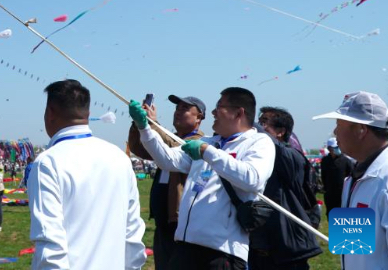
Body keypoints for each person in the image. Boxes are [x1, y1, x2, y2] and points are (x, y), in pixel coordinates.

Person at [130, 87, 275, 270]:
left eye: (220, 106)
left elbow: (252, 178)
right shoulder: (208, 142)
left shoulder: (259, 142)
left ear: (239, 112)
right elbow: (167, 160)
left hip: (222, 251)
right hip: (185, 245)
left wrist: (208, 152)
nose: (213, 112)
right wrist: (144, 127)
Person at [30, 79, 146, 269]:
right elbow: (133, 234)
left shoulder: (48, 162)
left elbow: (50, 243)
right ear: (88, 114)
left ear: (50, 112)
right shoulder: (118, 156)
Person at [313, 91, 388, 269]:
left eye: (338, 124)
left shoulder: (386, 179)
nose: (334, 131)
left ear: (361, 130)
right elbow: (354, 248)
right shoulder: (354, 178)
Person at [128, 94, 206, 270]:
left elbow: (173, 147)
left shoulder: (199, 142)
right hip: (163, 220)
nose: (178, 112)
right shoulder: (169, 137)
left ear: (199, 117)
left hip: (181, 222)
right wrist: (138, 124)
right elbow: (139, 147)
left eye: (185, 109)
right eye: (177, 108)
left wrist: (150, 125)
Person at [249, 107, 321, 269]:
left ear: (281, 132)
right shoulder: (255, 158)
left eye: (264, 123)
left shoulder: (291, 156)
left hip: (287, 251)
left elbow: (280, 151)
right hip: (258, 249)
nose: (257, 127)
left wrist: (251, 127)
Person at [320, 136, 354, 218]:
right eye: (336, 147)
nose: (338, 149)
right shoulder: (325, 161)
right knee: (331, 215)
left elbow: (351, 176)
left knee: (342, 216)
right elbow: (323, 176)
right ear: (330, 149)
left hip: (342, 194)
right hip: (330, 194)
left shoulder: (346, 161)